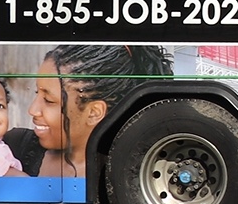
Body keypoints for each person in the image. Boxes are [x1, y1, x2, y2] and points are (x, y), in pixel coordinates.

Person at [27, 44, 174, 178]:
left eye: (49, 100)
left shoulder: (133, 174)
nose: (32, 110)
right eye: (36, 93)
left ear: (94, 112)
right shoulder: (14, 148)